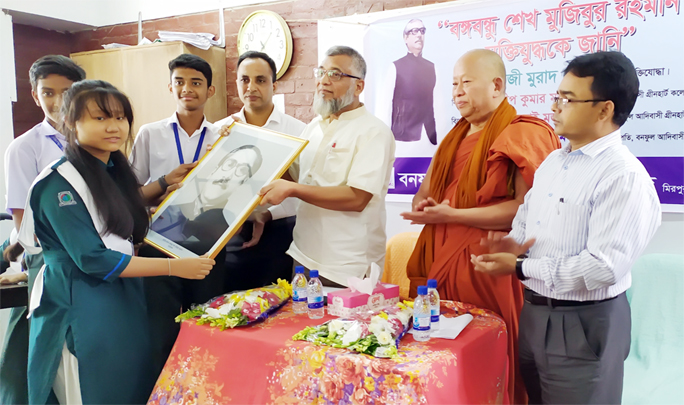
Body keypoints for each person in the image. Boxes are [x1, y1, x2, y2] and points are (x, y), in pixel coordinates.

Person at [472, 51, 661, 404]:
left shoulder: (623, 176)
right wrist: (513, 245)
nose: (555, 107)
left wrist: (520, 266)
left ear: (604, 110)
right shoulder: (553, 162)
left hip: (584, 324)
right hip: (535, 313)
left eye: (568, 99)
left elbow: (604, 267)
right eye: (557, 97)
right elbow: (526, 219)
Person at [17, 80, 215, 405]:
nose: (114, 127)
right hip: (80, 297)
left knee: (131, 380)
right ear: (71, 122)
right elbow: (93, 259)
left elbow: (116, 208)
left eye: (121, 118)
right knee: (94, 386)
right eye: (100, 118)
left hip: (122, 292)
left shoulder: (109, 169)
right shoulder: (58, 184)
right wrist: (174, 267)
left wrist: (165, 183)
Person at [401, 49, 561, 404]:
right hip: (439, 264)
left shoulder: (523, 133)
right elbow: (425, 194)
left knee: (491, 361)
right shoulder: (453, 137)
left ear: (497, 85)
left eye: (466, 82)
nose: (457, 91)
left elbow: (524, 210)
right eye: (454, 84)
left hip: (489, 268)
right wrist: (427, 207)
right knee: (440, 362)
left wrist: (452, 216)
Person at [259, 45, 395, 287]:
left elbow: (357, 198)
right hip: (302, 255)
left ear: (359, 86)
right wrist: (246, 147)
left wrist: (292, 190)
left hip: (345, 266)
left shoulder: (374, 132)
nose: (324, 81)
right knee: (301, 324)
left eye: (335, 74)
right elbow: (297, 179)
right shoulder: (313, 127)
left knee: (339, 327)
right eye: (320, 72)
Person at [128, 53, 227, 379]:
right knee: (161, 328)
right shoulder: (149, 134)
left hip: (209, 243)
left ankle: (206, 389)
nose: (188, 89)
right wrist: (164, 186)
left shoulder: (224, 138)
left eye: (196, 83)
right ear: (170, 88)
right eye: (180, 82)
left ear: (210, 90)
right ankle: (164, 391)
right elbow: (130, 194)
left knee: (209, 323)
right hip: (160, 242)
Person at [1, 54, 85, 405]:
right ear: (35, 96)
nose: (58, 101)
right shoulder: (25, 148)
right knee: (40, 350)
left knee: (80, 354)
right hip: (50, 262)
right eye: (48, 92)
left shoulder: (91, 136)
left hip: (93, 256)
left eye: (67, 92)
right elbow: (23, 225)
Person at [215, 51, 306, 291]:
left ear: (274, 85)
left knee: (280, 308)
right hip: (233, 230)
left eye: (260, 80)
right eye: (244, 79)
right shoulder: (220, 131)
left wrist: (269, 213)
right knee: (231, 306)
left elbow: (306, 188)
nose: (251, 87)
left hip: (282, 232)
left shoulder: (298, 131)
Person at [149, 144, 263, 251]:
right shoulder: (172, 207)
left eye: (241, 171)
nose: (227, 176)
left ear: (243, 183)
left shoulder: (229, 229)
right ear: (215, 170)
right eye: (229, 165)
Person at [385, 19, 438, 144]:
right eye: (414, 31)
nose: (419, 35)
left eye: (422, 31)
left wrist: (434, 137)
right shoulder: (395, 67)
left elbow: (432, 104)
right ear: (405, 37)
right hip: (401, 137)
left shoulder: (431, 67)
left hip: (427, 138)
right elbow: (386, 106)